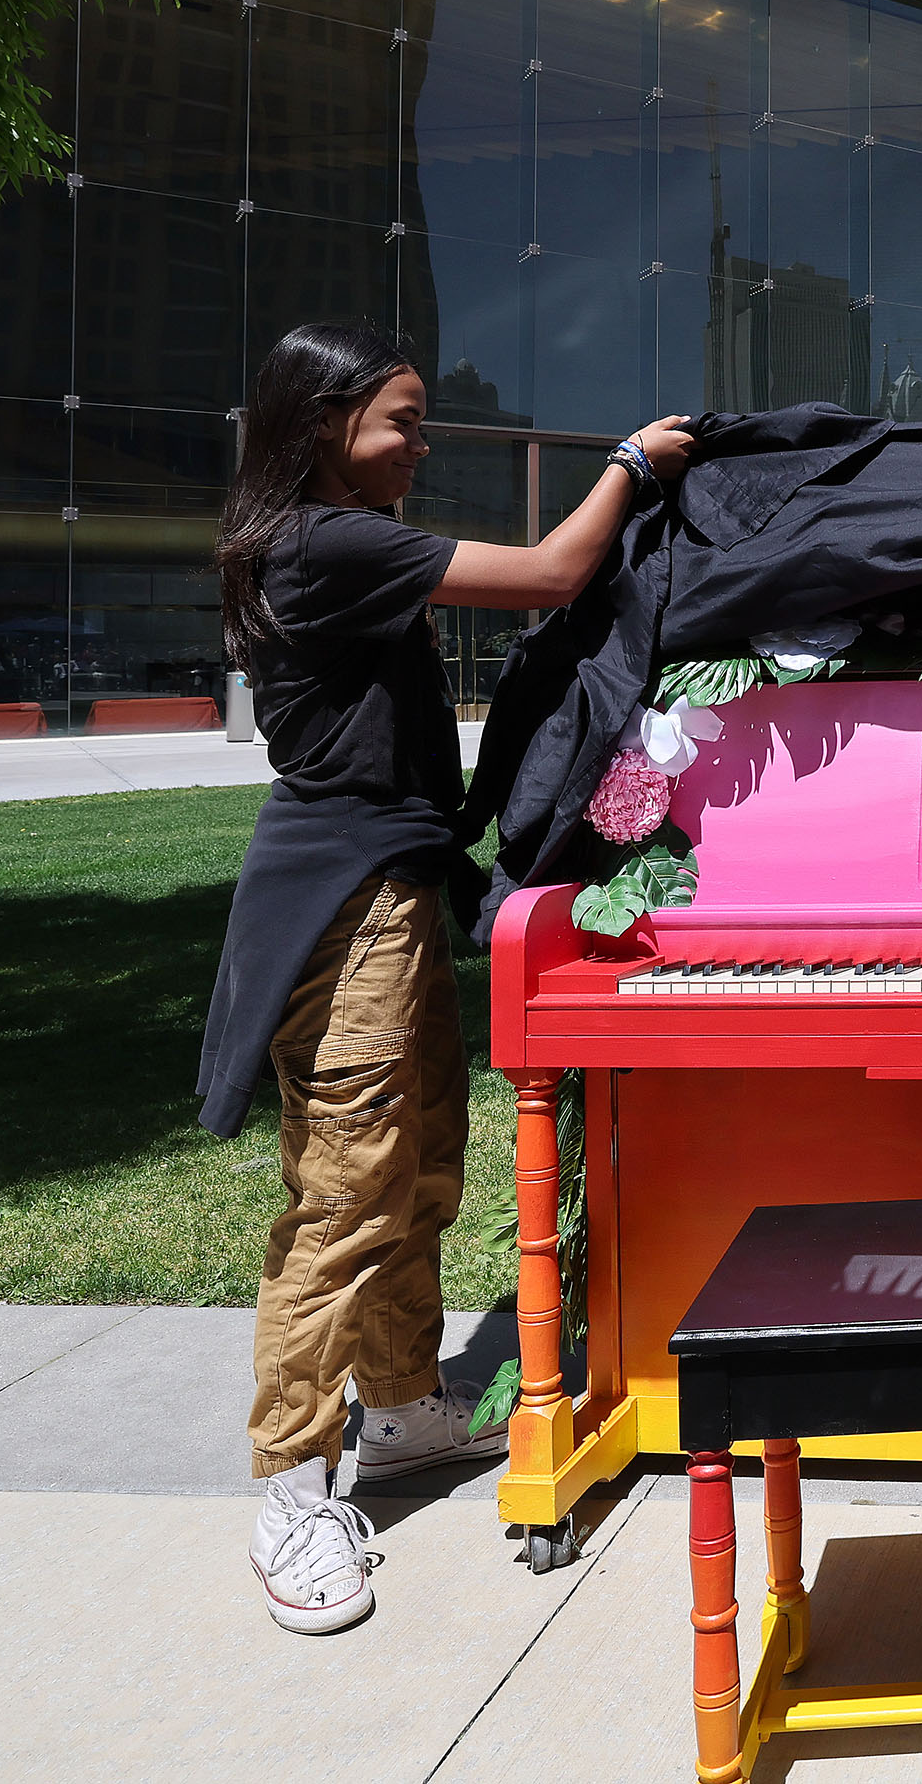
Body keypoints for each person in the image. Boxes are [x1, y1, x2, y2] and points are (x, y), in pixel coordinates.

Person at [199, 321, 692, 1634]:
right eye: (398, 424)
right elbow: (548, 571)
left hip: (400, 877)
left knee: (420, 1162)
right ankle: (291, 1485)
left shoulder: (335, 533)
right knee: (346, 1193)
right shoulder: (325, 538)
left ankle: (406, 1403)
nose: (417, 446)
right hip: (345, 892)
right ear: (323, 429)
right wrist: (632, 466)